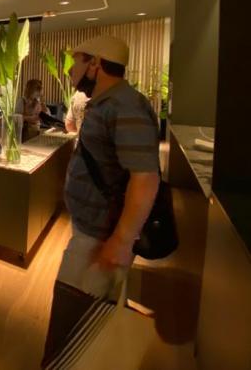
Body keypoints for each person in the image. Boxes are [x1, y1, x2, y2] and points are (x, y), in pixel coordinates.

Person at [42, 35, 160, 365]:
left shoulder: (125, 106)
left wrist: (121, 241)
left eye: (76, 61)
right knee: (91, 312)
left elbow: (145, 178)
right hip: (92, 227)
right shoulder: (105, 103)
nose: (70, 71)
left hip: (101, 235)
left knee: (73, 316)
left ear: (95, 64)